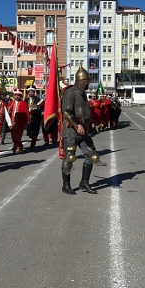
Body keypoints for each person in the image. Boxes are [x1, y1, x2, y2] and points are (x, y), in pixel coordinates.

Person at [60, 65, 102, 195]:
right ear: (80, 81)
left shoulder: (83, 94)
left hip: (83, 130)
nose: (88, 83)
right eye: (86, 81)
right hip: (71, 130)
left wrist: (90, 124)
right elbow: (67, 111)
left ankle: (84, 182)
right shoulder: (70, 92)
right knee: (69, 157)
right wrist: (77, 125)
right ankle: (66, 185)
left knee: (92, 154)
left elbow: (85, 111)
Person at [6, 88, 29, 153]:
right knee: (13, 136)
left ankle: (17, 146)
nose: (17, 96)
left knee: (18, 134)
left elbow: (26, 112)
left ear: (20, 96)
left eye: (18, 95)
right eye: (16, 95)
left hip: (20, 122)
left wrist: (27, 120)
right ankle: (18, 145)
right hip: (12, 121)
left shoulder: (23, 103)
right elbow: (6, 112)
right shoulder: (11, 103)